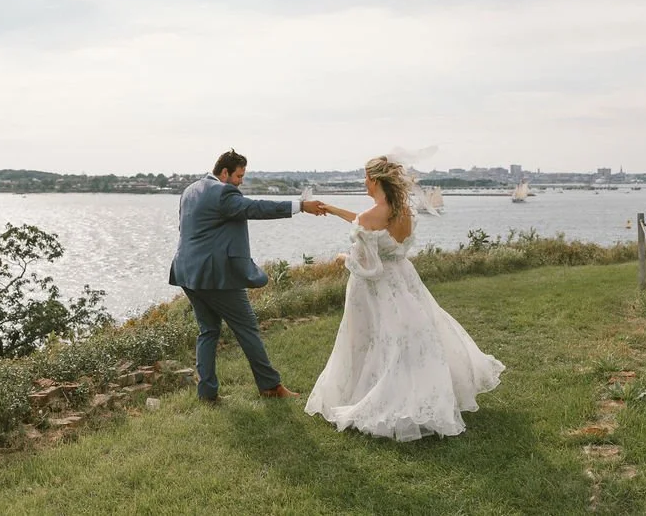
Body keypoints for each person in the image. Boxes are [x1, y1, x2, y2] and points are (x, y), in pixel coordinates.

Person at [305, 156, 504, 441]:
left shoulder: (371, 217)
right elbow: (369, 224)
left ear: (374, 180)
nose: (363, 182)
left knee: (371, 341)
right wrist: (335, 210)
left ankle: (373, 396)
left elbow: (366, 265)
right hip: (404, 280)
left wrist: (342, 257)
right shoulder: (404, 212)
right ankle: (425, 390)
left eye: (365, 177)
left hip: (374, 290)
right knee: (410, 338)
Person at [169, 149, 325, 402]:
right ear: (224, 173)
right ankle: (270, 387)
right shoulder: (223, 193)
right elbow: (255, 208)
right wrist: (300, 206)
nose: (241, 182)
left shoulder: (191, 190)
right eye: (239, 176)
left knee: (208, 330)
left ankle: (207, 393)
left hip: (187, 272)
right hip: (214, 276)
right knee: (247, 328)